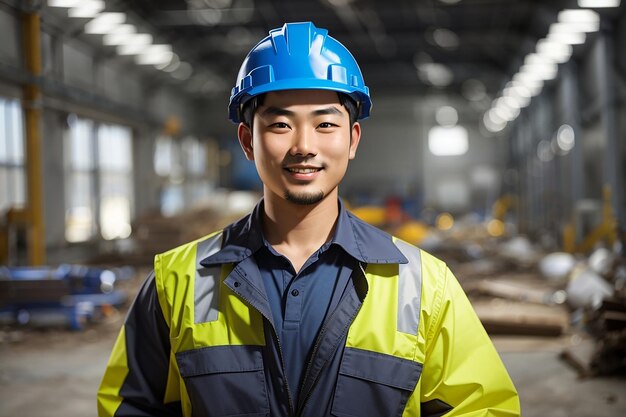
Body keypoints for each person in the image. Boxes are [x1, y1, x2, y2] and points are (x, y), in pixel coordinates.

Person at [98, 21, 520, 417]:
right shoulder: (176, 282)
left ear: (352, 139)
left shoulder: (423, 286)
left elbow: (484, 406)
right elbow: (128, 406)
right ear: (248, 140)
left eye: (324, 124)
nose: (303, 145)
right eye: (281, 124)